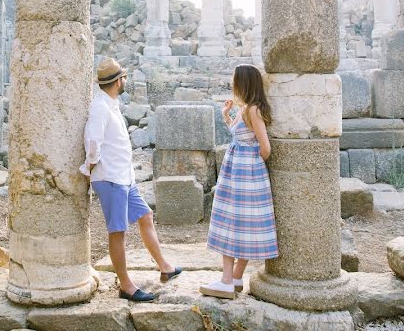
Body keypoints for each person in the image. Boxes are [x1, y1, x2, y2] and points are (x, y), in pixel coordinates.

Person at [80, 58, 181, 302]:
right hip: (111, 178)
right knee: (118, 232)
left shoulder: (111, 103)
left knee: (145, 215)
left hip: (124, 178)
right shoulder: (100, 107)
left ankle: (165, 268)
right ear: (118, 82)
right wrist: (89, 169)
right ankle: (126, 285)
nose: (126, 80)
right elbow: (93, 142)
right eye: (123, 77)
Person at [200, 64, 279, 299]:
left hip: (244, 173)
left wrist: (248, 162)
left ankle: (227, 280)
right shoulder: (246, 108)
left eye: (235, 80)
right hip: (239, 171)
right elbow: (242, 135)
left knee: (231, 222)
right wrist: (227, 117)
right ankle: (235, 277)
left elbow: (265, 148)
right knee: (242, 224)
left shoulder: (252, 110)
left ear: (243, 83)